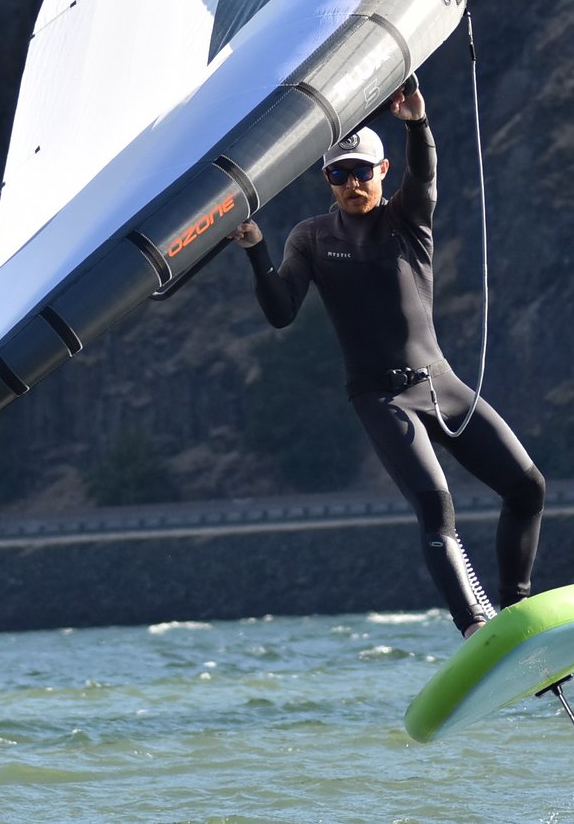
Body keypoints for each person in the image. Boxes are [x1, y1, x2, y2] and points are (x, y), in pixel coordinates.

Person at [228, 83, 546, 636]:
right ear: (326, 181)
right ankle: (475, 628)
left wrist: (417, 123)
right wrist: (256, 248)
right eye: (339, 174)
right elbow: (281, 311)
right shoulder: (311, 237)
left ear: (382, 169)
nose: (352, 184)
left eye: (362, 172)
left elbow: (424, 176)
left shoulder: (406, 217)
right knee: (435, 506)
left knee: (528, 488)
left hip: (440, 382)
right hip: (380, 397)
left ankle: (516, 609)